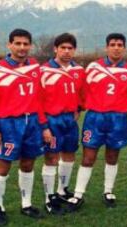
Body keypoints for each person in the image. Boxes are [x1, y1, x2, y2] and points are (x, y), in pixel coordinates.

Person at [0, 28, 51, 225]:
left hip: (32, 123)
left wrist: (44, 125)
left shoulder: (35, 67)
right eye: (17, 43)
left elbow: (38, 99)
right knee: (3, 165)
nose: (22, 47)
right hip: (7, 124)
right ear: (9, 45)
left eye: (25, 44)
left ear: (30, 45)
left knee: (28, 164)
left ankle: (26, 204)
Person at [67, 33, 127, 211]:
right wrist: (84, 107)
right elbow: (83, 91)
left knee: (112, 156)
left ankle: (108, 191)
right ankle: (78, 194)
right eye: (113, 44)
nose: (116, 47)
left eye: (120, 44)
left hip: (118, 119)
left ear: (124, 48)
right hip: (95, 118)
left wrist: (118, 107)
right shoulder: (93, 67)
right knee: (88, 156)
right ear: (106, 47)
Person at [40, 33, 85, 214]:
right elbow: (37, 100)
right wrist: (44, 125)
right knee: (51, 158)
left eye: (70, 48)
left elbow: (82, 94)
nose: (66, 51)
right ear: (55, 49)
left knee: (69, 154)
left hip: (70, 120)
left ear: (74, 50)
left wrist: (79, 109)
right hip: (52, 120)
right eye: (63, 48)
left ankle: (62, 190)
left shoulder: (79, 71)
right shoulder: (44, 71)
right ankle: (49, 197)